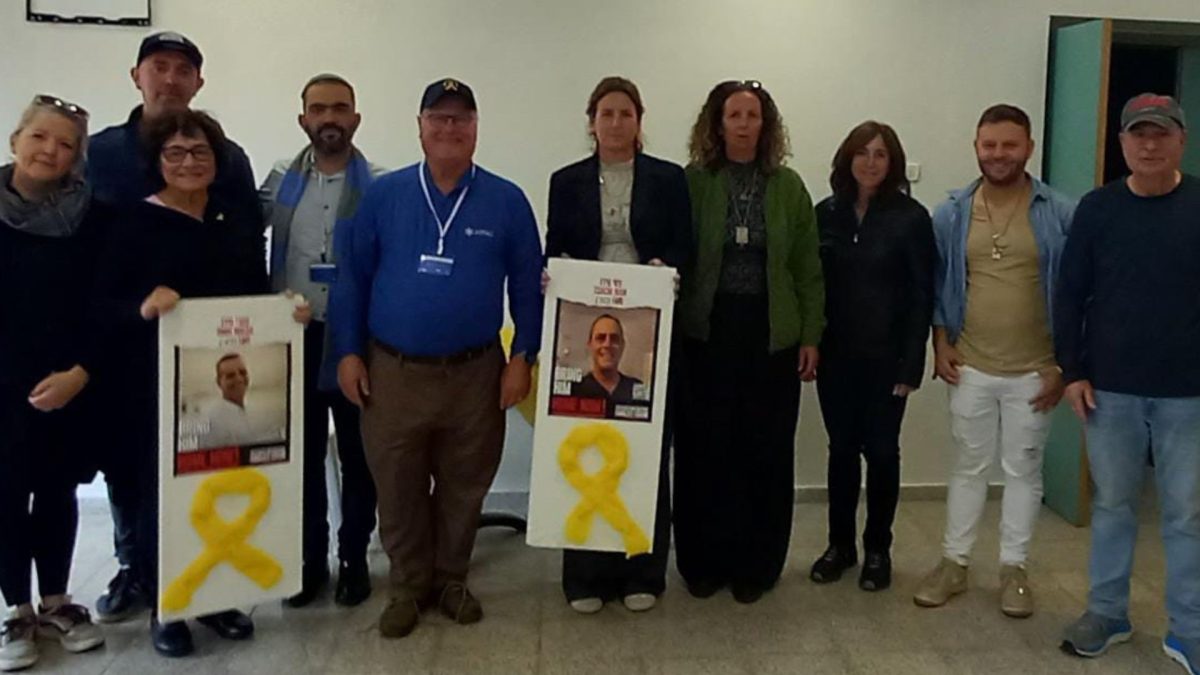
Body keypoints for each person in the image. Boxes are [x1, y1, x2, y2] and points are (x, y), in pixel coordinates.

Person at [331, 78, 542, 639]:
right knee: (397, 485)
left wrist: (523, 355)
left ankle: (450, 579)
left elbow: (528, 285)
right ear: (420, 127)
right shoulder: (383, 196)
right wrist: (348, 353)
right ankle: (406, 586)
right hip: (392, 372)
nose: (450, 128)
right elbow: (352, 280)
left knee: (464, 485)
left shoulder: (506, 200)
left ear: (476, 128)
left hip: (475, 373)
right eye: (439, 118)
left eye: (461, 119)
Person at [92, 110, 302, 658]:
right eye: (176, 152)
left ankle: (216, 598)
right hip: (154, 385)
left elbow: (252, 292)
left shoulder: (233, 219)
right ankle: (167, 606)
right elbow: (103, 303)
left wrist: (283, 313)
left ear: (218, 160)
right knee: (162, 498)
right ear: (157, 161)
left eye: (201, 151)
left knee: (219, 486)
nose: (189, 162)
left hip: (224, 378)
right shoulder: (132, 221)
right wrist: (142, 306)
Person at [87, 31, 261, 624]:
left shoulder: (230, 166)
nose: (169, 78)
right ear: (136, 75)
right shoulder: (99, 154)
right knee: (134, 478)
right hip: (134, 363)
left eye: (182, 69)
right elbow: (97, 280)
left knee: (205, 479)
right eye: (158, 67)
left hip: (210, 365)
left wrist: (274, 312)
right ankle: (139, 575)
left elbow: (249, 260)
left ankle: (205, 588)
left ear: (198, 82)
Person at [1057, 94, 1200, 674]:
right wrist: (1072, 371)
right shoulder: (1098, 209)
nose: (1149, 144)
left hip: (1189, 393)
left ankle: (1189, 628)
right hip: (1109, 389)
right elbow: (1069, 293)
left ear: (1181, 140)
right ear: (1121, 143)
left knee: (1185, 513)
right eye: (1138, 134)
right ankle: (1107, 613)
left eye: (1161, 134)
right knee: (1114, 505)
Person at [914, 104, 1075, 618]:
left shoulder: (1060, 212)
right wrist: (941, 343)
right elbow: (939, 284)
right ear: (976, 147)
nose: (999, 154)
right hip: (971, 365)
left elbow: (1079, 293)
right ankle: (954, 564)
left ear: (1029, 147)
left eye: (1009, 145)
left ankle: (1014, 570)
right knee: (968, 466)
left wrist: (1064, 365)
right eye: (989, 145)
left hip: (1036, 369)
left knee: (1023, 469)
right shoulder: (952, 212)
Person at [672, 80, 824, 604]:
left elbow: (807, 268)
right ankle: (702, 563)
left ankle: (756, 566)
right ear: (717, 124)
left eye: (752, 115)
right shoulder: (692, 182)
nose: (742, 124)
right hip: (706, 332)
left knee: (764, 450)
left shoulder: (788, 187)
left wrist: (811, 334)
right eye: (733, 115)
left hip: (770, 334)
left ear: (766, 124)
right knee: (704, 449)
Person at [544, 76, 690, 613]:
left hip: (648, 327)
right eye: (606, 113)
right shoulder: (566, 181)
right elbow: (555, 248)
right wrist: (554, 273)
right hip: (589, 325)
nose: (615, 123)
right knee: (584, 445)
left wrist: (667, 268)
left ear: (639, 121)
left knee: (645, 451)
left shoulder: (669, 179)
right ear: (592, 122)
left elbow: (684, 246)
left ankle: (642, 571)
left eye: (625, 113)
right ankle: (585, 576)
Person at [259, 73, 384, 609]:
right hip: (296, 338)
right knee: (300, 457)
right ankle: (308, 563)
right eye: (318, 109)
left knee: (360, 457)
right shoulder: (278, 181)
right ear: (303, 119)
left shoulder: (380, 186)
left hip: (356, 339)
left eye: (339, 108)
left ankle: (353, 558)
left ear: (355, 118)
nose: (329, 118)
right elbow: (236, 235)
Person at [0, 96, 105, 672]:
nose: (50, 151)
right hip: (2, 382)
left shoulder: (92, 218)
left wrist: (81, 372)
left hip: (67, 381)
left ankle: (58, 601)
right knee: (5, 493)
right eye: (40, 137)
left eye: (66, 145)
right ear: (16, 140)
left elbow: (105, 302)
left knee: (57, 489)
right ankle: (16, 610)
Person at [808, 121, 934, 592]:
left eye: (880, 154)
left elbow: (922, 296)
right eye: (862, 152)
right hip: (836, 356)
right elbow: (812, 285)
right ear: (848, 158)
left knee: (881, 452)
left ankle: (878, 549)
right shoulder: (826, 214)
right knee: (841, 450)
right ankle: (840, 546)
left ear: (893, 162)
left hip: (887, 359)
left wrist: (911, 362)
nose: (871, 162)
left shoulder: (911, 218)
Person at [570, 314, 643, 408]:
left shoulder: (637, 389)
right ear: (590, 345)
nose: (607, 344)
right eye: (601, 338)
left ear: (622, 346)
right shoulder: (574, 391)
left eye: (614, 339)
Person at [202, 353, 255, 448]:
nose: (239, 379)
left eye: (243, 372)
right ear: (219, 382)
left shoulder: (254, 411)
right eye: (230, 376)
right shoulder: (212, 420)